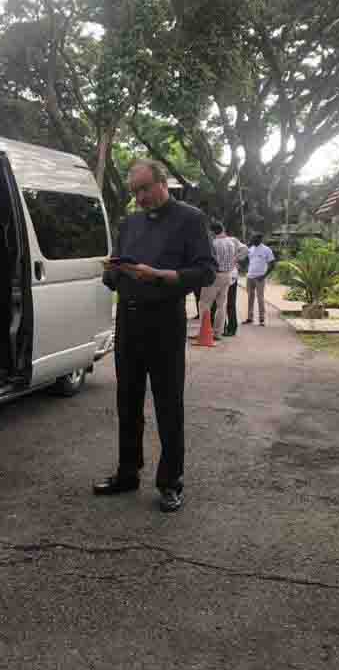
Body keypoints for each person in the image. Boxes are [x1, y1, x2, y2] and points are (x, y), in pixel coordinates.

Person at [98, 160, 217, 513]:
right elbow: (115, 272)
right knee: (127, 400)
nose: (140, 198)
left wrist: (163, 276)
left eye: (145, 189)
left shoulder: (190, 219)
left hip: (165, 322)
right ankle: (127, 472)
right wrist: (113, 272)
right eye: (135, 192)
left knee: (168, 404)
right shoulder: (130, 223)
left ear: (162, 183)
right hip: (128, 321)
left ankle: (170, 482)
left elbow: (206, 271)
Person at [197, 222, 243, 341]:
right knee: (221, 305)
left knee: (204, 304)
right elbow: (242, 252)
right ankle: (218, 333)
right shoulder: (231, 242)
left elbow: (209, 260)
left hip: (214, 275)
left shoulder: (213, 243)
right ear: (222, 229)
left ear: (212, 232)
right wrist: (235, 261)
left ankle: (204, 332)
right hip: (227, 275)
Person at [244, 233, 276, 326]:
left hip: (260, 278)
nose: (252, 240)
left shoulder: (266, 250)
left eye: (254, 238)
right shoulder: (251, 249)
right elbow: (248, 261)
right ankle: (250, 318)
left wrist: (264, 276)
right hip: (250, 277)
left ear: (260, 239)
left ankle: (262, 319)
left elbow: (272, 264)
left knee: (260, 298)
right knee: (250, 298)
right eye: (252, 238)